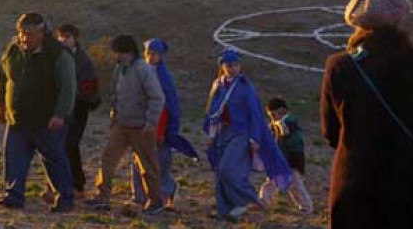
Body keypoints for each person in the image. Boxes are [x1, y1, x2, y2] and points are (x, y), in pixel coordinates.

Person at [320, 0, 413, 228]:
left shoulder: (339, 65)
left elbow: (330, 133)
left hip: (354, 187)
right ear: (400, 18)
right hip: (411, 188)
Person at [0, 12, 77, 212]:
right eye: (21, 33)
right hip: (17, 118)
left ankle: (65, 198)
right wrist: (1, 106)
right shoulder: (13, 49)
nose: (24, 38)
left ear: (42, 32)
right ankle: (13, 196)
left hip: (46, 120)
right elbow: (2, 78)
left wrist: (60, 114)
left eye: (29, 34)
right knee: (14, 158)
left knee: (54, 161)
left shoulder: (59, 54)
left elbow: (68, 88)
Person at [202, 48, 291, 221]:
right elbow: (212, 111)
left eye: (236, 65)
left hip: (241, 132)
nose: (233, 68)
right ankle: (225, 210)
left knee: (227, 169)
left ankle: (251, 198)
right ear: (222, 66)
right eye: (229, 65)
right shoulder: (217, 85)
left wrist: (254, 138)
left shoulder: (244, 86)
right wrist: (212, 135)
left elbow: (255, 114)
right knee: (220, 173)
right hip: (223, 132)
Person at [85, 35, 166, 215]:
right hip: (122, 124)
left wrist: (151, 122)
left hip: (141, 127)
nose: (116, 56)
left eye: (119, 53)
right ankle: (102, 196)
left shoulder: (143, 70)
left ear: (128, 52)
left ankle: (155, 200)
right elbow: (116, 94)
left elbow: (157, 97)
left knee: (148, 166)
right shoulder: (119, 69)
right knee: (108, 159)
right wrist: (114, 117)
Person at [130, 38, 198, 211]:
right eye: (148, 53)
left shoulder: (163, 78)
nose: (151, 57)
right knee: (138, 162)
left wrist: (161, 132)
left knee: (157, 164)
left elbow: (166, 108)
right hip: (140, 125)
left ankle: (166, 191)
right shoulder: (140, 72)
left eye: (155, 54)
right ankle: (139, 196)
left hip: (158, 128)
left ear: (161, 56)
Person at [40, 24, 100, 202]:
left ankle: (77, 186)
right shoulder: (54, 55)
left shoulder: (84, 60)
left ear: (75, 38)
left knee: (70, 146)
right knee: (54, 147)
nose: (63, 40)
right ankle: (54, 186)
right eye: (60, 37)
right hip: (58, 108)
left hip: (79, 108)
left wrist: (74, 96)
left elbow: (90, 88)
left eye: (67, 36)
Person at [258, 98, 313, 214]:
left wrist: (280, 126)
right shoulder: (273, 125)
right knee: (272, 181)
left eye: (274, 115)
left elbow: (287, 133)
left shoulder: (290, 121)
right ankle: (263, 201)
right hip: (279, 158)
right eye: (270, 116)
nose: (272, 118)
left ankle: (306, 206)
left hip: (293, 159)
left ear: (283, 111)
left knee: (295, 184)